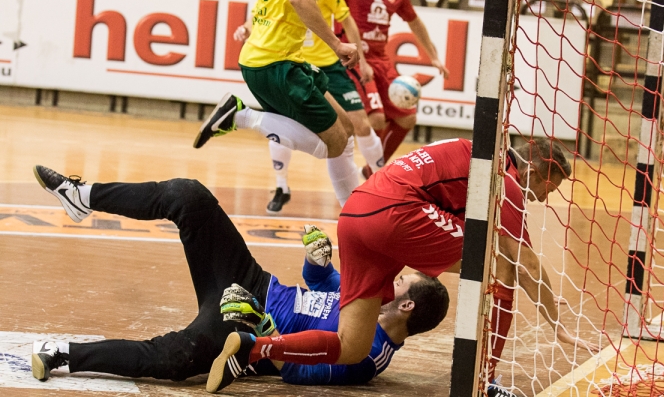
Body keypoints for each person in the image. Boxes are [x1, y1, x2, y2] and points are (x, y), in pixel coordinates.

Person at [206, 138, 601, 395]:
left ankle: (256, 347)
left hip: (357, 213)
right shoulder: (506, 181)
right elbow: (526, 259)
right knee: (503, 267)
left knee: (352, 348)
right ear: (535, 171)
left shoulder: (471, 149)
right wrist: (557, 324)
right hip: (397, 214)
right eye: (553, 187)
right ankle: (486, 381)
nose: (547, 198)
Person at [29, 166, 449, 387]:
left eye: (401, 280)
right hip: (254, 282)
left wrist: (262, 327)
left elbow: (297, 370)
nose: (392, 276)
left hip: (245, 326)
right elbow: (322, 284)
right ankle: (81, 195)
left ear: (407, 305)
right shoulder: (369, 299)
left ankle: (63, 353)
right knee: (188, 195)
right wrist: (317, 262)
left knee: (175, 358)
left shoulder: (367, 357)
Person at [193, 0, 362, 207]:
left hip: (280, 58)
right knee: (335, 143)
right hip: (276, 62)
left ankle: (357, 211)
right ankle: (241, 116)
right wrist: (337, 45)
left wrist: (251, 26)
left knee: (346, 130)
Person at [232, 0, 383, 213]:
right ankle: (282, 187)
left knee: (358, 124)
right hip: (296, 64)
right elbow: (261, 16)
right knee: (290, 124)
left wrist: (362, 61)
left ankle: (381, 184)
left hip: (330, 67)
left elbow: (348, 22)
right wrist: (245, 28)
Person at [334, 0, 450, 178]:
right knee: (376, 118)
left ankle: (371, 170)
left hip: (381, 62)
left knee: (408, 117)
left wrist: (433, 56)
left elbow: (415, 23)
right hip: (355, 60)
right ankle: (372, 170)